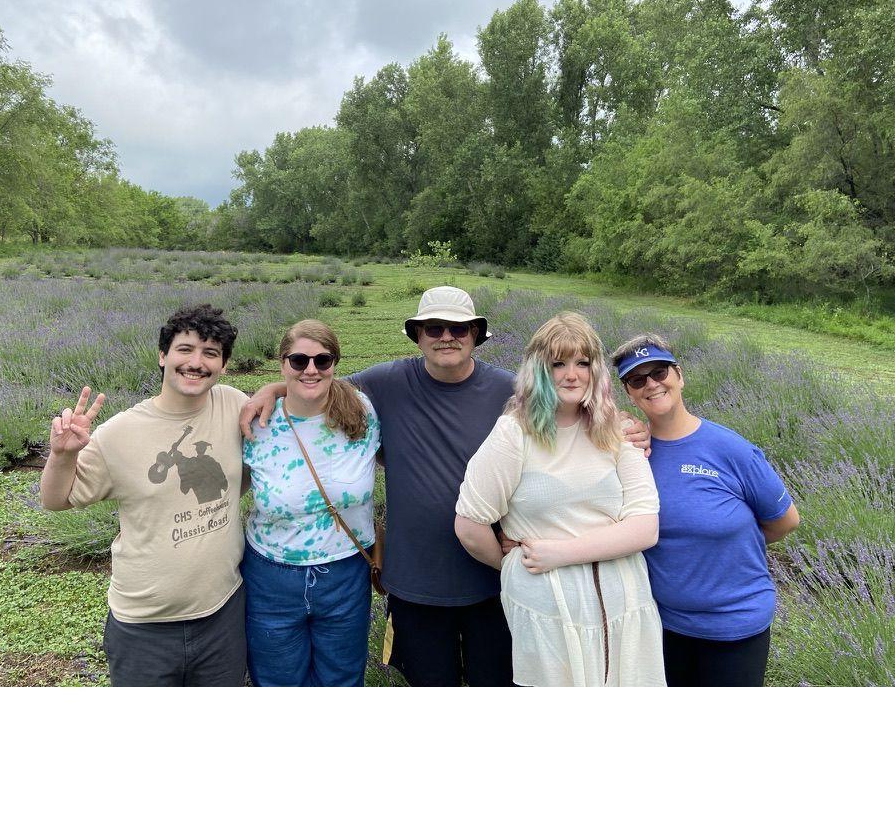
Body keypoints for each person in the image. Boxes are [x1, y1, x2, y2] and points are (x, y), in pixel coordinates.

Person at [241, 286, 651, 688]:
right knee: (429, 682)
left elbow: (571, 416)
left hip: (493, 576)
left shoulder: (512, 393)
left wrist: (626, 430)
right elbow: (317, 382)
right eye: (434, 328)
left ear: (475, 335)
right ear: (417, 336)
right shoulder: (386, 382)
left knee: (497, 682)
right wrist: (272, 388)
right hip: (416, 580)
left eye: (459, 328)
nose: (446, 337)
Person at [39, 303, 250, 687]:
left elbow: (241, 478)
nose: (196, 363)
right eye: (185, 349)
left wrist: (278, 384)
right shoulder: (119, 434)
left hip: (224, 613)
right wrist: (62, 455)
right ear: (163, 355)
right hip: (145, 626)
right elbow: (56, 499)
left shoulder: (234, 404)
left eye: (210, 353)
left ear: (223, 366)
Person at [454, 313, 665, 687]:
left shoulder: (616, 430)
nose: (572, 374)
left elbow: (645, 527)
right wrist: (513, 563)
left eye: (583, 363)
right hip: (548, 608)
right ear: (539, 370)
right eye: (559, 364)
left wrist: (560, 553)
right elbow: (471, 524)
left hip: (624, 604)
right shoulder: (514, 433)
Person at [612, 333, 801, 687]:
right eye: (638, 379)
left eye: (660, 372)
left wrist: (726, 547)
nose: (652, 384)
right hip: (663, 626)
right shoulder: (631, 453)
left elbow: (785, 521)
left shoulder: (730, 449)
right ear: (629, 393)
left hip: (734, 627)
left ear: (679, 375)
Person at [240, 319, 380, 687]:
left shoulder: (362, 411)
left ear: (335, 363)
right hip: (272, 575)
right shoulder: (256, 422)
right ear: (282, 363)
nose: (311, 369)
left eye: (323, 360)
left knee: (342, 679)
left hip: (345, 573)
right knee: (277, 680)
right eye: (299, 361)